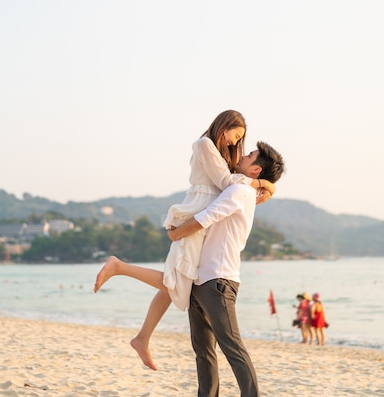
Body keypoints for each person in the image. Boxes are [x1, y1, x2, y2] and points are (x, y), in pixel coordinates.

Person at [94, 110, 276, 370]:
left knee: (177, 279)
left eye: (240, 141)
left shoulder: (220, 154)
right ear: (224, 126)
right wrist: (264, 184)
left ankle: (142, 338)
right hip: (197, 212)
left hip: (203, 216)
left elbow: (227, 183)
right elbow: (225, 182)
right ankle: (119, 268)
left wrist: (264, 184)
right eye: (236, 136)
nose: (237, 143)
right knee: (177, 280)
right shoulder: (204, 145)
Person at [166, 141, 285, 397]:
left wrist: (175, 234)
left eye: (250, 155)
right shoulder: (240, 186)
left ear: (255, 169)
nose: (243, 155)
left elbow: (206, 218)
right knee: (203, 347)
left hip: (219, 279)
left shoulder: (240, 191)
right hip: (202, 276)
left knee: (232, 346)